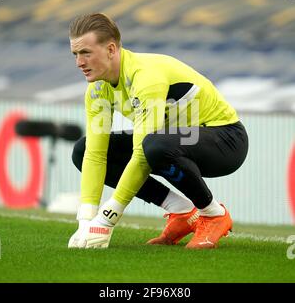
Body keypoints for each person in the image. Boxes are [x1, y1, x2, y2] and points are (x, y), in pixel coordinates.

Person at [68, 13, 248, 250]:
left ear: (111, 49)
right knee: (82, 150)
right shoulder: (97, 90)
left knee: (153, 146)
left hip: (226, 140)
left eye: (86, 53)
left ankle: (213, 213)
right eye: (75, 54)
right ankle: (181, 211)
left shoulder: (145, 77)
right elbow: (95, 154)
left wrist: (106, 219)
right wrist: (85, 222)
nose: (79, 62)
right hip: (175, 140)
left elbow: (142, 155)